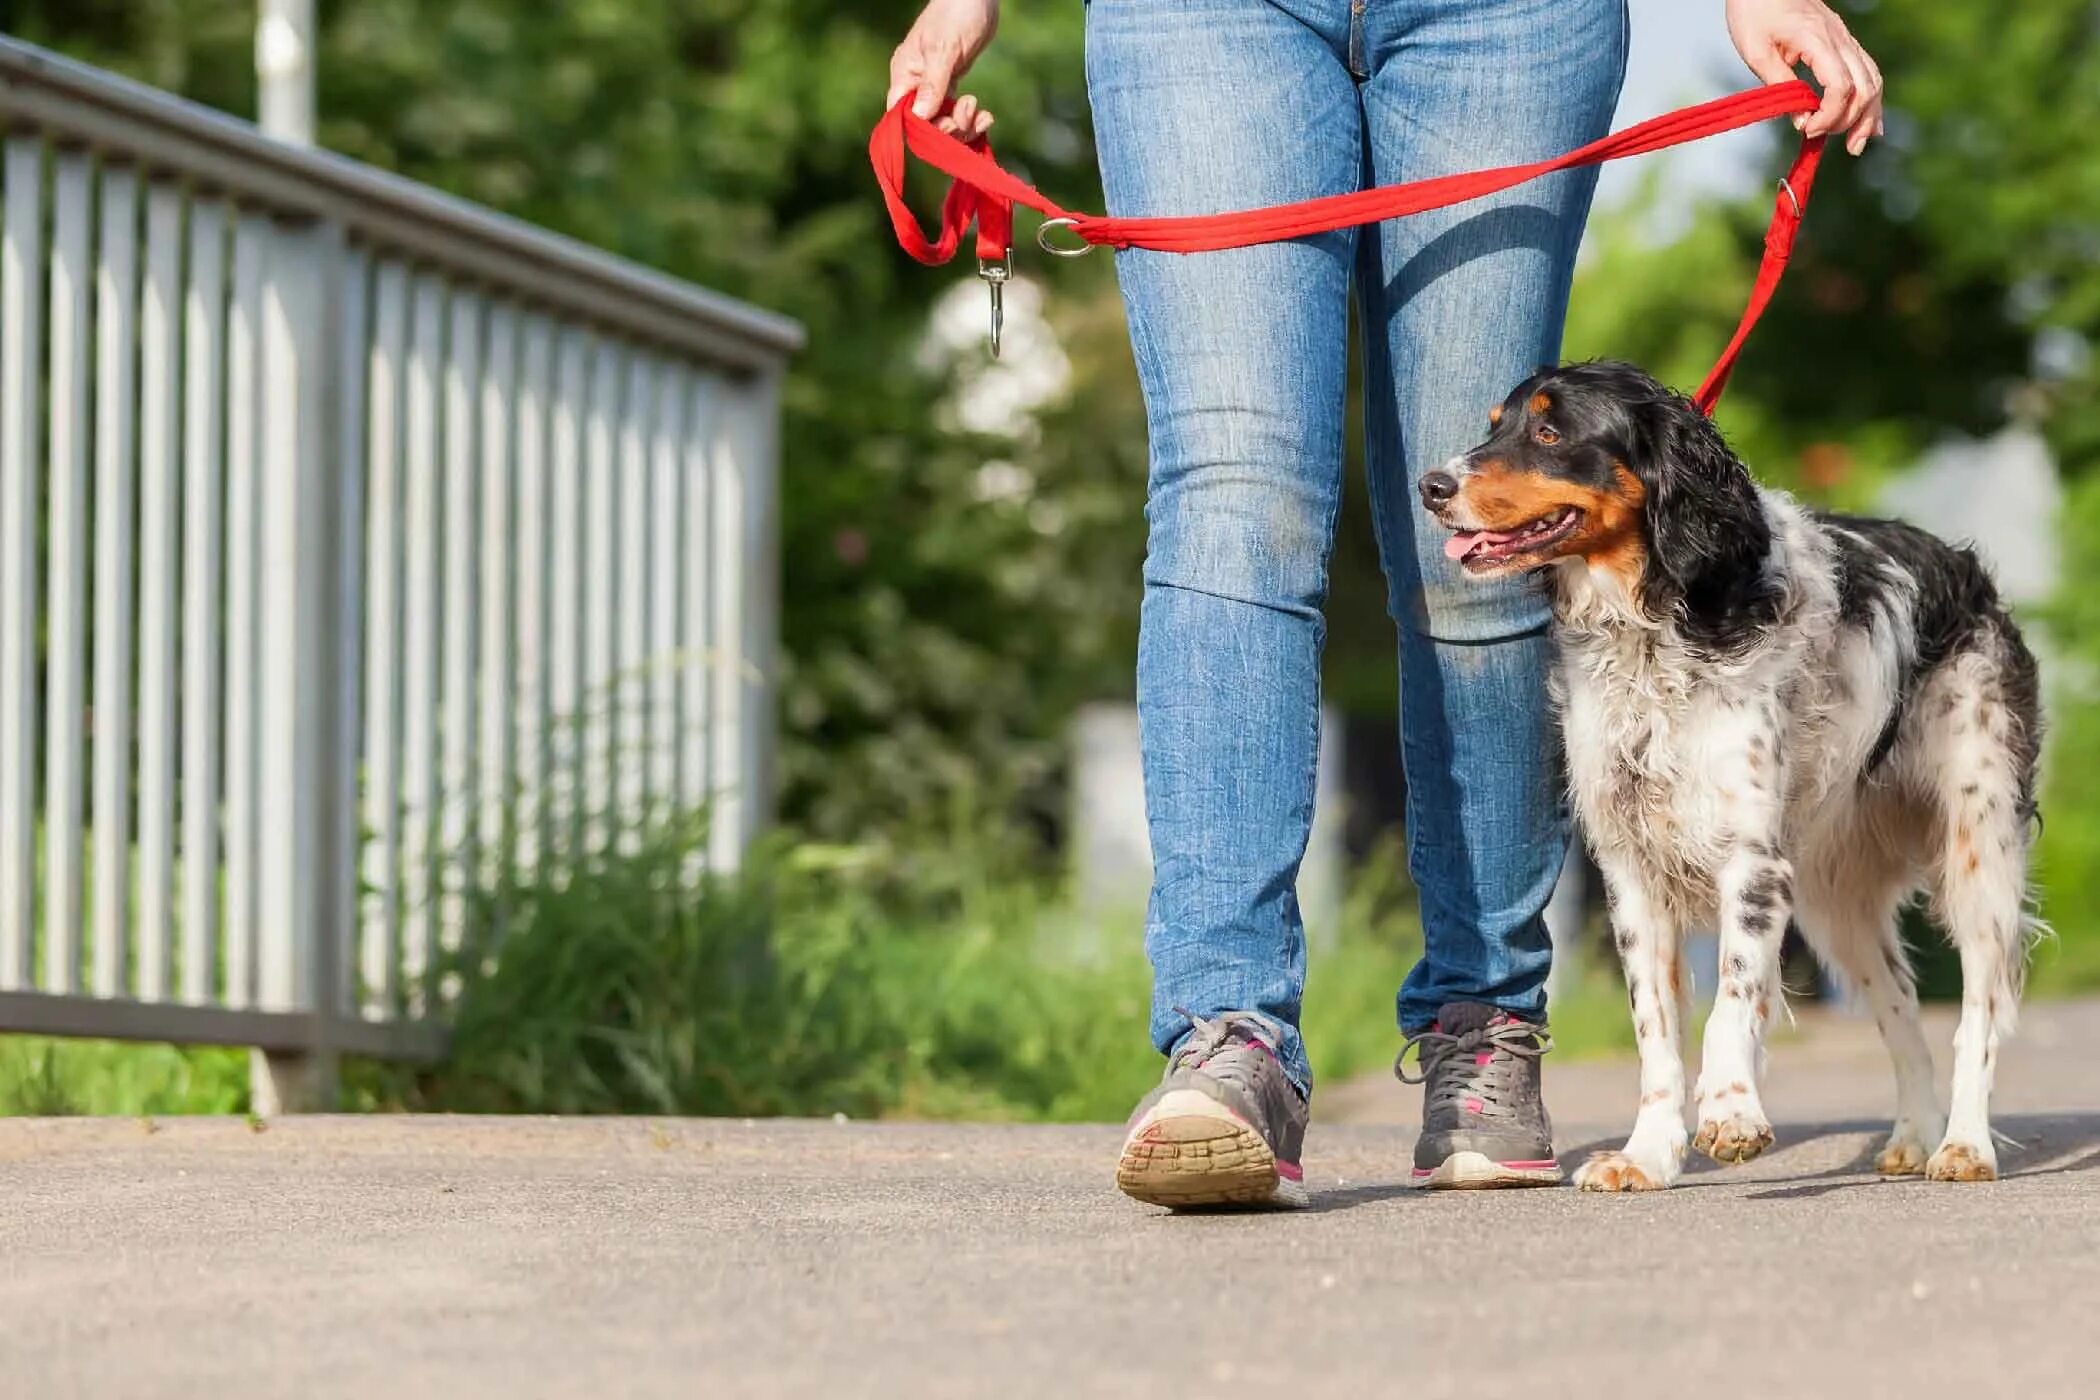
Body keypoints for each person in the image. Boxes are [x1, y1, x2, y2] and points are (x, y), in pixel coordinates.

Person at [889, 0, 1884, 1207]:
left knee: (1484, 531)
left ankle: (1485, 1025)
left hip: (1504, 24)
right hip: (1202, 21)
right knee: (1231, 498)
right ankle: (1229, 1033)